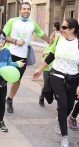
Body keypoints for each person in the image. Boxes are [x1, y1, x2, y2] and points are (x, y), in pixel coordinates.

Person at [33, 18, 79, 147]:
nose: (61, 30)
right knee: (63, 104)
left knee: (69, 106)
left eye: (64, 28)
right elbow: (51, 56)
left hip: (73, 78)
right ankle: (65, 136)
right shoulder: (58, 40)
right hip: (57, 75)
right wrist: (39, 69)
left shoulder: (78, 43)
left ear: (72, 30)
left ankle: (60, 119)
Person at [3, 2, 50, 113]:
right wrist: (15, 41)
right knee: (2, 77)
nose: (26, 11)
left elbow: (41, 34)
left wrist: (52, 42)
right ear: (20, 10)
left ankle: (9, 99)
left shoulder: (32, 24)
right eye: (24, 9)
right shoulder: (12, 21)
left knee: (17, 80)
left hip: (22, 57)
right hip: (9, 53)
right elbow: (2, 35)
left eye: (28, 9)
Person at [39, 31, 62, 107]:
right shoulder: (49, 48)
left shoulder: (62, 48)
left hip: (57, 70)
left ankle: (59, 106)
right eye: (57, 37)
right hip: (47, 70)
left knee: (58, 88)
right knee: (46, 85)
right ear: (53, 38)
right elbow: (44, 60)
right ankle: (42, 97)